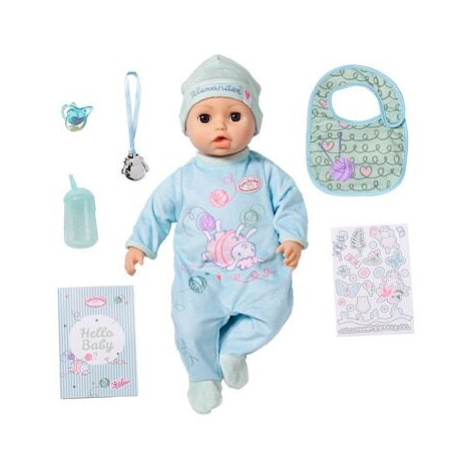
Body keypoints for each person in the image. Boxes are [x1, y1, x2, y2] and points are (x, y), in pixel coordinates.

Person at [125, 55, 308, 414]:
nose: (220, 126)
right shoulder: (182, 179)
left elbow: (291, 202)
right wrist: (139, 245)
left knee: (276, 309)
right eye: (205, 118)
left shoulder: (266, 172)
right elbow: (156, 211)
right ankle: (202, 375)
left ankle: (234, 347)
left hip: (257, 274)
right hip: (201, 279)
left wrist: (292, 237)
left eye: (235, 116)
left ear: (255, 124)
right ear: (187, 125)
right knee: (191, 325)